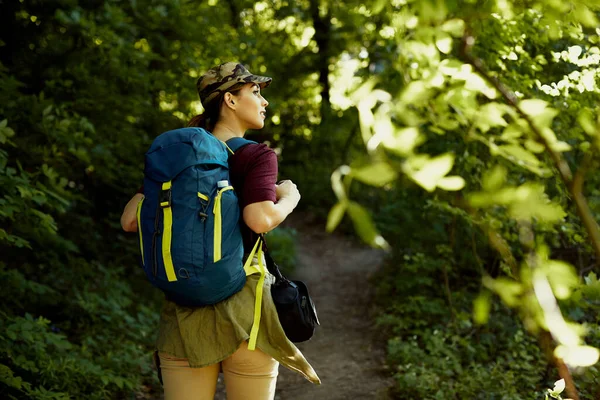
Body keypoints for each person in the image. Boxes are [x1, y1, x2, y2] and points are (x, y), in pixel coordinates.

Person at [120, 62, 320, 400]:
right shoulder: (256, 156)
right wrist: (289, 198)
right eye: (255, 92)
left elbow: (129, 220)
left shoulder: (178, 158)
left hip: (182, 314)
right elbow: (259, 219)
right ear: (229, 99)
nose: (264, 101)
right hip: (245, 311)